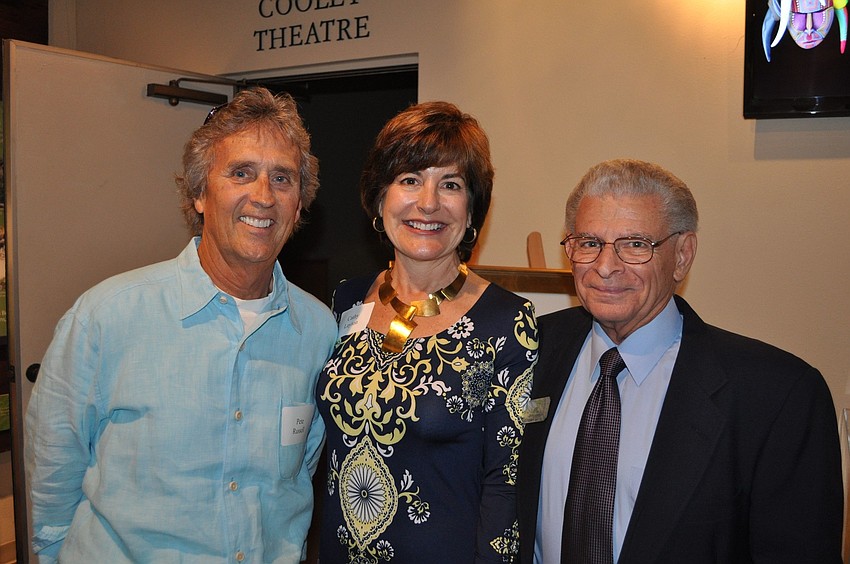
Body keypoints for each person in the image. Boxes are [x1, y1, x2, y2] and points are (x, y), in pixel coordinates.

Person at [25, 87, 337, 563]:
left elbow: (300, 474)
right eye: (241, 172)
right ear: (199, 194)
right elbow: (53, 476)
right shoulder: (107, 316)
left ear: (298, 207)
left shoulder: (318, 331)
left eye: (283, 178)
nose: (263, 196)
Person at [517, 159, 843, 563]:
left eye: (635, 244)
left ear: (683, 255)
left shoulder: (777, 395)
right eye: (589, 243)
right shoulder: (524, 350)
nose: (605, 266)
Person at [315, 102, 538, 563]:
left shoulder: (508, 322)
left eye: (451, 185)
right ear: (380, 198)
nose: (428, 202)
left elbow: (507, 486)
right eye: (410, 180)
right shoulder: (346, 300)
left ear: (473, 209)